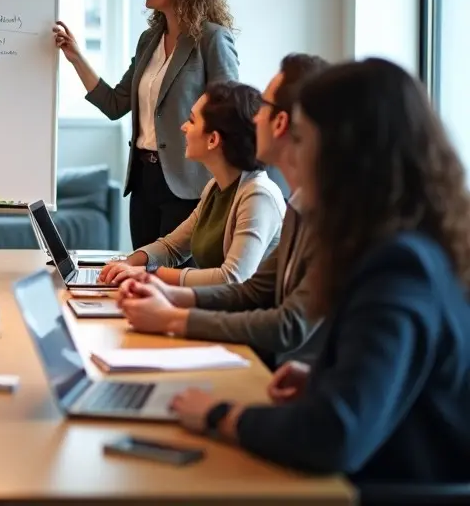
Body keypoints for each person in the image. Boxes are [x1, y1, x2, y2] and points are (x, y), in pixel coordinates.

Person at [170, 58, 470, 483]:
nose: (295, 153)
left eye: (304, 138)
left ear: (346, 154)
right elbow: (396, 384)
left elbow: (337, 433)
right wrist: (324, 378)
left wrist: (220, 414)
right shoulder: (402, 245)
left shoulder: (398, 266)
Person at [113, 54, 329, 367]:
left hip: (256, 357)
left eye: (264, 107)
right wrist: (152, 281)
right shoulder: (270, 198)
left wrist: (167, 304)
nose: (256, 119)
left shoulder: (266, 197)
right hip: (257, 353)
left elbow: (238, 283)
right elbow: (252, 289)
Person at [54, 0, 239, 250]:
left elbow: (228, 110)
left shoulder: (212, 39)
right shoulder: (148, 40)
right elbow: (115, 104)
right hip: (143, 182)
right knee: (143, 275)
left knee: (175, 284)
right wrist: (75, 57)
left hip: (189, 184)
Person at [98, 81, 284, 287]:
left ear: (213, 139)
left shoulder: (258, 196)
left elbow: (232, 278)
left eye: (192, 121)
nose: (183, 127)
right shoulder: (215, 188)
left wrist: (148, 274)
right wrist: (125, 264)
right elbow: (172, 247)